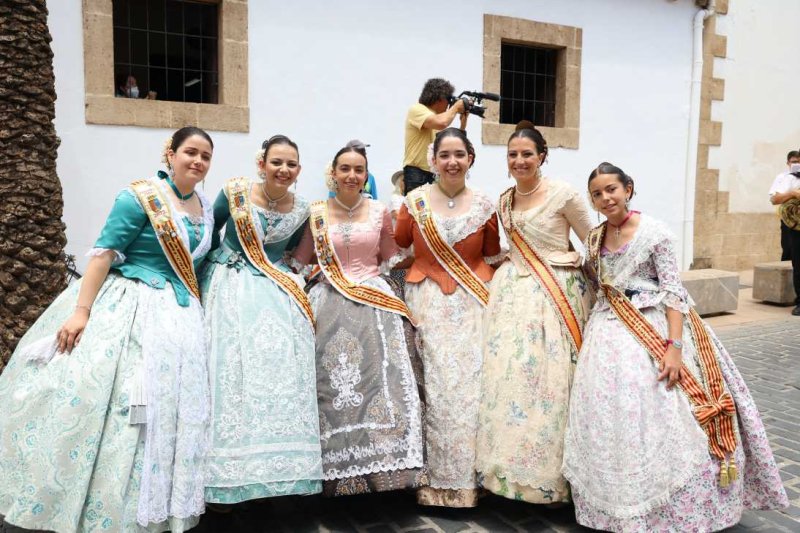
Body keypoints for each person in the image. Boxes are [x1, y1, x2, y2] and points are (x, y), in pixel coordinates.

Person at [0, 127, 216, 532]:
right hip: (131, 308)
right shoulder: (138, 197)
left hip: (180, 319)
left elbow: (197, 267)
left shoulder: (205, 207)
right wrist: (82, 312)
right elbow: (103, 254)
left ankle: (153, 509)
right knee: (124, 405)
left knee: (170, 410)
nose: (198, 161)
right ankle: (101, 510)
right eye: (191, 152)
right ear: (170, 154)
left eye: (206, 156)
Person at [562, 162, 788, 532]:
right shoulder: (595, 238)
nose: (605, 198)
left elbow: (673, 292)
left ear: (628, 188)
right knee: (609, 412)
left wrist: (674, 347)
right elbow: (599, 282)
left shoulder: (654, 233)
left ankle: (677, 509)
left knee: (667, 412)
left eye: (611, 189)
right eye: (597, 194)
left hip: (655, 326)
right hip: (607, 331)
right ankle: (616, 505)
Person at [292, 143, 424, 497]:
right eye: (345, 169)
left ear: (366, 176)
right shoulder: (316, 213)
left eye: (359, 170)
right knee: (329, 385)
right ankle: (332, 475)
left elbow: (392, 257)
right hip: (328, 299)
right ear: (333, 174)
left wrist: (425, 249)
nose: (352, 175)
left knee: (381, 381)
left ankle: (385, 472)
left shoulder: (379, 211)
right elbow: (300, 261)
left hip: (373, 300)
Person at [200, 135, 322, 504]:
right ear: (262, 164)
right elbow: (209, 232)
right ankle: (226, 474)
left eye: (291, 164)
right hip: (229, 283)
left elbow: (293, 252)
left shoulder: (303, 208)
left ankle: (278, 469)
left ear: (299, 170)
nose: (283, 169)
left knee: (281, 369)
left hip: (275, 286)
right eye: (276, 162)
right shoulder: (234, 192)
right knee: (230, 369)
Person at [476, 123, 593, 504]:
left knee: (551, 382)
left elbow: (594, 242)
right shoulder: (504, 201)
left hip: (556, 294)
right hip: (512, 296)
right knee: (511, 378)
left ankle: (553, 480)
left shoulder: (564, 194)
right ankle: (509, 476)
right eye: (513, 154)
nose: (520, 160)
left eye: (527, 153)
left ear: (542, 156)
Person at [396, 127, 502, 508]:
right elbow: (401, 243)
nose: (452, 162)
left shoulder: (486, 204)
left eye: (459, 154)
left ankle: (471, 481)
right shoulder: (414, 202)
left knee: (471, 388)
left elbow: (491, 251)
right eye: (445, 155)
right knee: (432, 386)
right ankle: (430, 480)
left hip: (472, 305)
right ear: (433, 160)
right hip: (427, 301)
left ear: (470, 158)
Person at [403, 78, 468, 194]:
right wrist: (456, 107)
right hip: (417, 174)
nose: (448, 105)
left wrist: (463, 123)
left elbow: (451, 143)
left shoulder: (434, 118)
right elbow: (442, 123)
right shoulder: (417, 109)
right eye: (448, 100)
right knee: (417, 206)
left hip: (433, 174)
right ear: (440, 99)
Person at [769, 150, 800, 314]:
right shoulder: (785, 178)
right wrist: (793, 193)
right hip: (794, 225)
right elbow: (774, 199)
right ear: (788, 163)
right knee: (797, 262)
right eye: (794, 162)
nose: (797, 164)